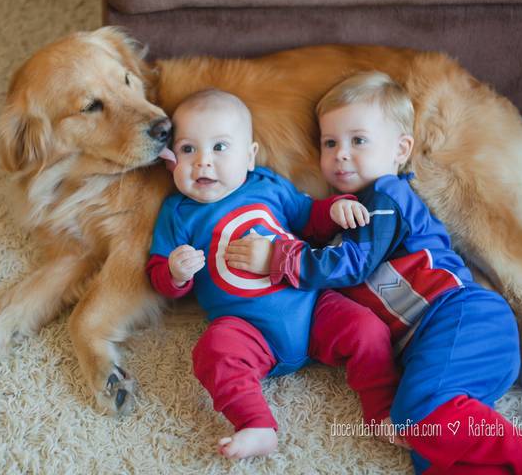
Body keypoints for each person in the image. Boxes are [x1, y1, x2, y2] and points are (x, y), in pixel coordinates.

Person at [225, 72, 522, 474]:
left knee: (415, 413)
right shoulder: (346, 220)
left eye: (358, 140)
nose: (341, 154)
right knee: (429, 451)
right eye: (330, 143)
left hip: (462, 318)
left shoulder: (387, 196)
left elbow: (353, 264)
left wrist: (280, 258)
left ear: (400, 149)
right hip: (437, 353)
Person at [148, 88, 403, 459]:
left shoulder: (265, 185)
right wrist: (174, 272)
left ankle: (382, 411)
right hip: (248, 330)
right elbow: (157, 273)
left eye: (219, 147)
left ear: (249, 156)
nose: (203, 162)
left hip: (312, 308)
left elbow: (307, 217)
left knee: (368, 329)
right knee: (212, 351)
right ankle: (255, 424)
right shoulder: (177, 212)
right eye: (188, 149)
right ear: (172, 161)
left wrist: (335, 209)